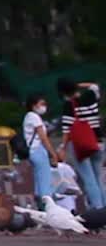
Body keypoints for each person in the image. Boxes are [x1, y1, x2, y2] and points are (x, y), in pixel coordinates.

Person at [58, 77, 104, 210]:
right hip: (98, 142)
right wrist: (76, 84)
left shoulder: (69, 105)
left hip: (80, 146)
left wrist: (63, 148)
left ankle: (98, 210)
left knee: (89, 180)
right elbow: (94, 85)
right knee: (98, 179)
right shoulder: (91, 96)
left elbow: (67, 130)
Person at [25, 94, 59, 200]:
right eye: (41, 104)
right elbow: (43, 138)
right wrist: (53, 153)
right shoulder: (33, 117)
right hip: (38, 151)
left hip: (35, 151)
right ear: (33, 105)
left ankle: (41, 206)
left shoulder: (30, 116)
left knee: (39, 181)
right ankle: (47, 207)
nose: (44, 106)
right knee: (45, 181)